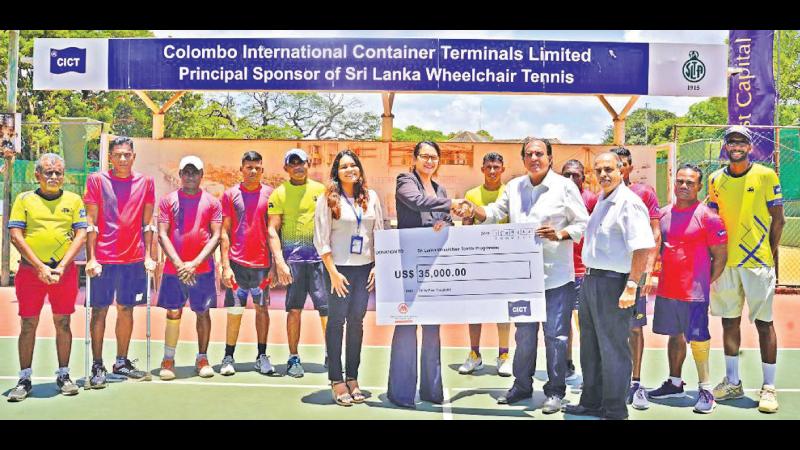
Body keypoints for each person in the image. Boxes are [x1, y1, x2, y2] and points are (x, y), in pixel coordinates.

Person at [459, 138, 589, 414]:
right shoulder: (515, 187)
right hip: (522, 280)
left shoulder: (565, 187)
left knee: (556, 337)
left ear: (550, 158)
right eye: (529, 154)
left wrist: (561, 233)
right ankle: (521, 386)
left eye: (539, 153)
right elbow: (495, 213)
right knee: (525, 336)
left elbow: (583, 223)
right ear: (523, 159)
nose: (534, 158)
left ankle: (555, 391)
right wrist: (475, 210)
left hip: (557, 278)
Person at [563, 152, 655, 420]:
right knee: (590, 345)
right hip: (591, 281)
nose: (603, 174)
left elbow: (641, 248)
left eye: (609, 169)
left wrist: (631, 286)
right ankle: (591, 401)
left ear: (622, 170)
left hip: (614, 284)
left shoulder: (629, 203)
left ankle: (614, 409)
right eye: (599, 170)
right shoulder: (603, 199)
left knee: (613, 349)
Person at [708, 125, 785, 413]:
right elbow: (714, 223)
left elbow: (778, 220)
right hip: (726, 263)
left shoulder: (766, 175)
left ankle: (768, 388)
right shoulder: (715, 180)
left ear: (750, 147)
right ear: (725, 147)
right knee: (729, 322)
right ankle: (732, 382)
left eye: (742, 141)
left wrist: (768, 254)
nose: (736, 146)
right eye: (731, 141)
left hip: (757, 263)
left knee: (764, 325)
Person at [644, 164, 727, 413]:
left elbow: (721, 257)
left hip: (695, 293)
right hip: (668, 291)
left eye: (690, 183)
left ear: (699, 187)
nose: (684, 186)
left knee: (699, 338)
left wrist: (703, 282)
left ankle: (706, 389)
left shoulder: (709, 217)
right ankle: (675, 382)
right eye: (680, 181)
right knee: (674, 336)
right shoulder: (664, 214)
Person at [387, 141, 463, 408]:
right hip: (409, 263)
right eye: (425, 157)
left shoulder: (440, 188)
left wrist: (446, 220)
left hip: (434, 264)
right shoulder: (405, 180)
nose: (429, 161)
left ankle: (431, 390)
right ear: (415, 158)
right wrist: (451, 204)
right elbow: (416, 202)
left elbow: (447, 218)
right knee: (406, 324)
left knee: (432, 327)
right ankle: (401, 393)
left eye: (434, 157)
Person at [7, 153, 87, 401]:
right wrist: (40, 266)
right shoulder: (24, 200)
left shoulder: (74, 200)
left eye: (58, 173)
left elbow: (81, 234)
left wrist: (61, 266)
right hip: (31, 273)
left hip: (64, 273)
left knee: (63, 323)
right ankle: (24, 378)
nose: (54, 177)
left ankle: (63, 375)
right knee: (28, 324)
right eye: (48, 172)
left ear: (64, 176)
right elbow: (16, 236)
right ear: (37, 175)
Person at [83, 136, 156, 388]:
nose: (122, 159)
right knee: (99, 311)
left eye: (127, 154)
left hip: (133, 259)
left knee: (126, 309)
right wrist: (91, 257)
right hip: (103, 259)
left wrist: (148, 255)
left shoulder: (146, 182)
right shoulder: (96, 180)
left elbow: (148, 224)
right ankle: (97, 364)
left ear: (134, 156)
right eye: (118, 155)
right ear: (110, 157)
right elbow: (90, 222)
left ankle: (121, 362)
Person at [314, 149, 384, 406]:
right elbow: (321, 238)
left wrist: (377, 265)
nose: (350, 170)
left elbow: (379, 232)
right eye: (344, 166)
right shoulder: (328, 198)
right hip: (338, 271)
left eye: (353, 165)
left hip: (364, 269)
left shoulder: (371, 197)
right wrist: (332, 272)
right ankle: (336, 379)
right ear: (337, 172)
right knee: (336, 323)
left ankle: (352, 377)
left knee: (357, 322)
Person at [156, 156, 222, 381]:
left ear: (201, 175)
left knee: (202, 313)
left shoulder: (213, 202)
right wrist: (179, 263)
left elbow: (216, 236)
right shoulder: (167, 201)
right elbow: (163, 234)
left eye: (195, 172)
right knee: (173, 311)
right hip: (174, 271)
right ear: (180, 175)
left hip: (202, 270)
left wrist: (194, 264)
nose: (190, 176)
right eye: (186, 172)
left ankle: (202, 358)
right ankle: (168, 359)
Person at [268, 148, 328, 377]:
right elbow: (272, 230)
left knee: (326, 311)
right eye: (293, 163)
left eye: (301, 162)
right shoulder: (279, 194)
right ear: (286, 168)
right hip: (293, 263)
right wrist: (280, 263)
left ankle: (330, 354)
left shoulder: (321, 191)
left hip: (319, 262)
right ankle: (293, 358)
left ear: (308, 163)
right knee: (294, 311)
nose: (298, 166)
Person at [611, 146, 661, 410]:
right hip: (607, 275)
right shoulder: (602, 194)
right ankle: (608, 381)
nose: (618, 168)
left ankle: (636, 383)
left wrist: (648, 270)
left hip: (634, 273)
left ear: (629, 167)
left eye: (623, 164)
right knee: (605, 328)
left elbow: (655, 232)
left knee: (634, 328)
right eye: (613, 164)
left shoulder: (644, 193)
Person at [218, 151, 276, 376]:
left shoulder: (271, 195)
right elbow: (224, 232)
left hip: (262, 268)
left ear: (262, 170)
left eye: (257, 168)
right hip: (237, 266)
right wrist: (225, 265)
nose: (253, 171)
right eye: (249, 167)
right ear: (241, 169)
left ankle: (262, 356)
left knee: (262, 310)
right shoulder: (230, 195)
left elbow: (274, 231)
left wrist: (274, 265)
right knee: (234, 311)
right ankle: (228, 356)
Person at [457, 152, 513, 377]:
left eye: (496, 167)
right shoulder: (471, 194)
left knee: (503, 312)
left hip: (504, 263)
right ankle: (474, 355)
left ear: (503, 169)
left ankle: (504, 355)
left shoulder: (510, 193)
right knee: (475, 310)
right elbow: (466, 226)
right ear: (482, 169)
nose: (492, 171)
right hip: (477, 263)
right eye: (488, 167)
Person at [561, 159, 598, 383]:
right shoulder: (555, 198)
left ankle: (590, 370)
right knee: (562, 324)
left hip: (584, 271)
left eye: (576, 175)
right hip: (559, 271)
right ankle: (566, 365)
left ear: (584, 177)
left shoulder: (592, 199)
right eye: (567, 175)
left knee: (584, 323)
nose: (572, 179)